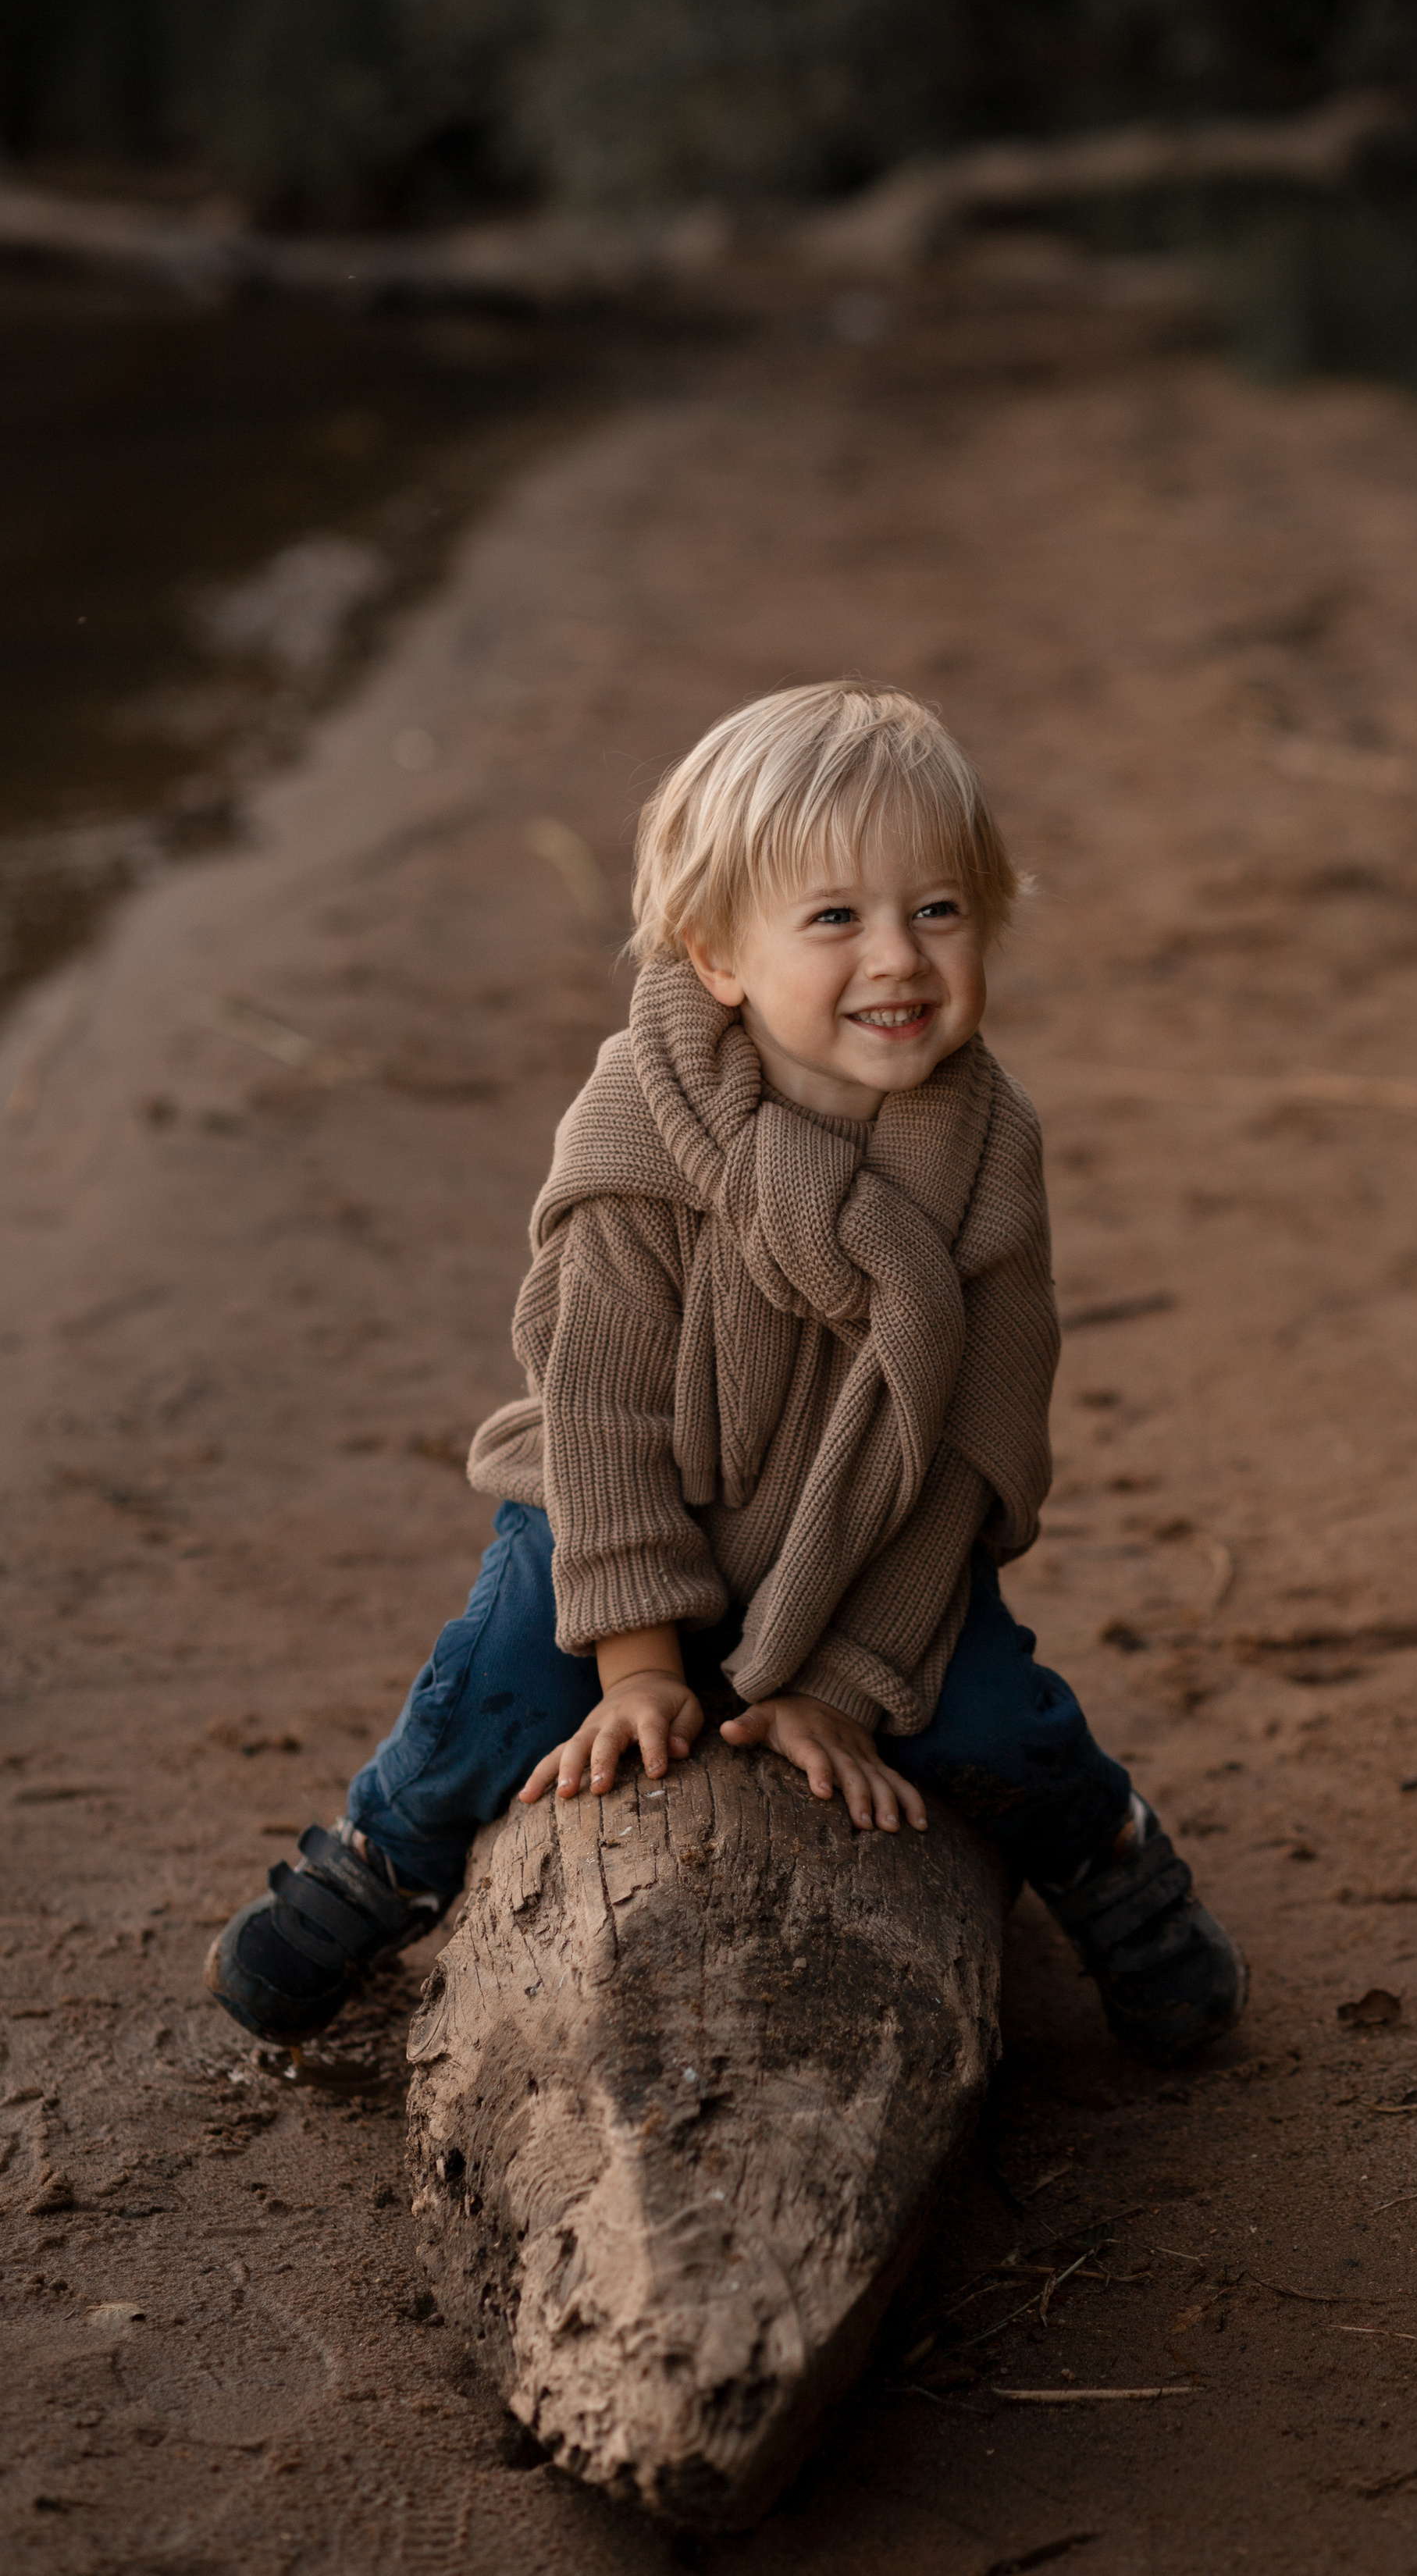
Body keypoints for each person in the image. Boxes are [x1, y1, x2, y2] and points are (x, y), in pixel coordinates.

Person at [207, 681, 1247, 2064]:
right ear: (716, 956)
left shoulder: (988, 1146)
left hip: (869, 1536)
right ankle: (372, 1862)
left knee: (1000, 1727)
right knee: (498, 1692)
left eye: (939, 910)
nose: (899, 958)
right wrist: (639, 1666)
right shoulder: (638, 1123)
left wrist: (846, 1683)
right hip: (619, 1511)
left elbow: (972, 1442)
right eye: (836, 918)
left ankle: (1114, 1860)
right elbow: (598, 1415)